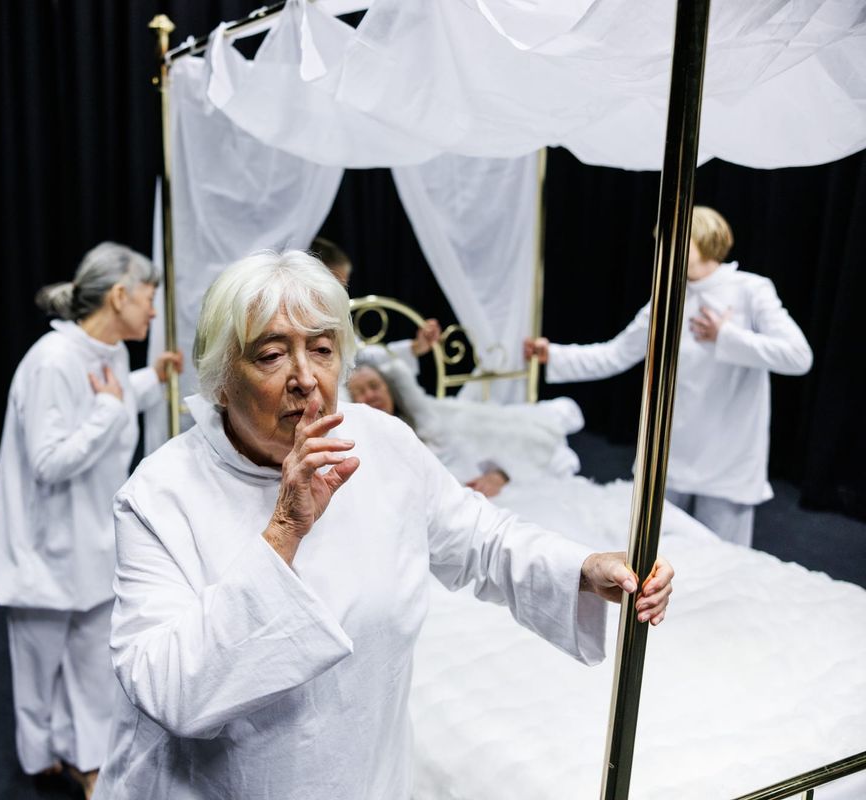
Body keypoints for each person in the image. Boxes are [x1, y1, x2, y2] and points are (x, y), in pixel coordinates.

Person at [92, 250, 673, 799]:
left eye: (321, 349)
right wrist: (285, 530)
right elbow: (166, 688)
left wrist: (582, 568)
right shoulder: (159, 495)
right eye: (270, 354)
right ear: (219, 377)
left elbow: (480, 539)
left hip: (364, 772)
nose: (304, 377)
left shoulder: (381, 441)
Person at [0, 242, 184, 797]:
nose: (153, 312)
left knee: (94, 661)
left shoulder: (111, 353)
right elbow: (50, 461)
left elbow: (111, 404)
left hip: (93, 538)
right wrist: (113, 408)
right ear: (119, 296)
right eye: (148, 298)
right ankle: (39, 754)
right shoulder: (52, 361)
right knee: (38, 662)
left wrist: (146, 383)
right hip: (43, 548)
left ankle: (88, 759)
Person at [524, 207, 812, 547]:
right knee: (658, 556)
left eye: (678, 238)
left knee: (724, 563)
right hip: (671, 453)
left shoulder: (751, 290)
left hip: (728, 454)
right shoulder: (666, 297)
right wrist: (555, 354)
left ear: (704, 238)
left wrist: (726, 337)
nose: (666, 246)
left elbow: (798, 357)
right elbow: (617, 354)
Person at [346, 358, 583, 497]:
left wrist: (499, 475)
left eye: (375, 386)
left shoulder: (430, 423)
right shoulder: (359, 446)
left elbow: (475, 452)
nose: (370, 395)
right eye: (359, 392)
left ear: (390, 389)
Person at [311, 235, 442, 375]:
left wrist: (415, 347)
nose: (341, 294)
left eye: (343, 287)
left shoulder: (336, 322)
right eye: (335, 284)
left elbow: (362, 357)